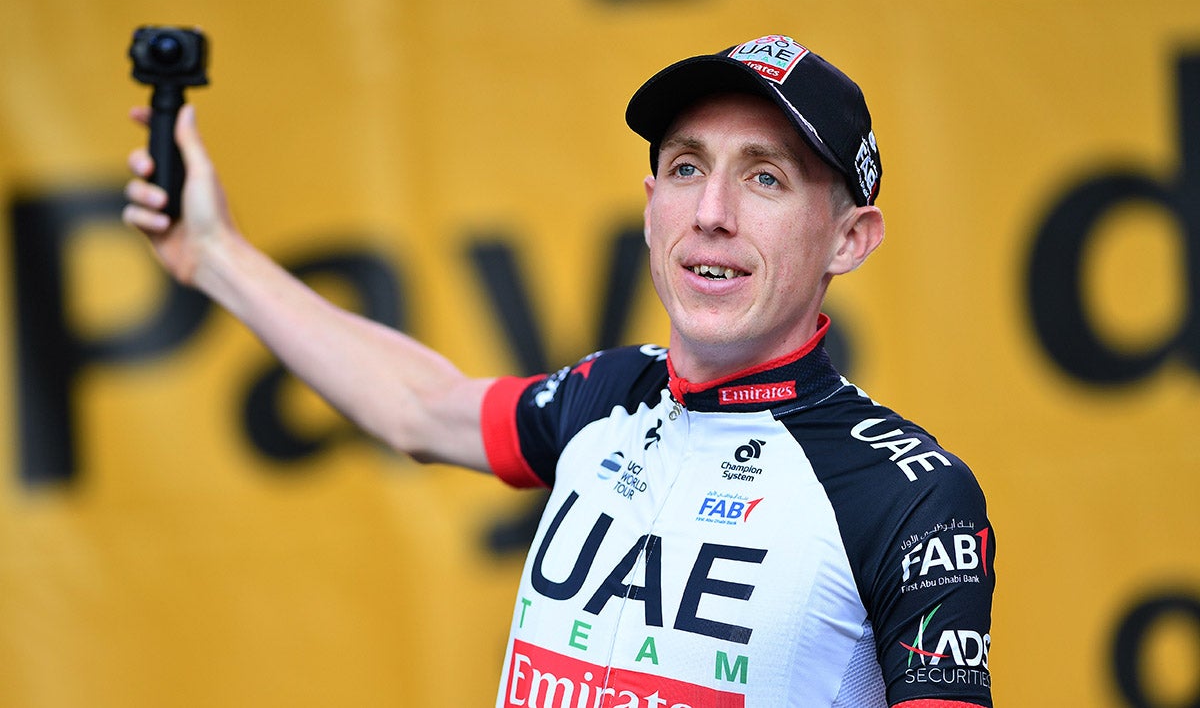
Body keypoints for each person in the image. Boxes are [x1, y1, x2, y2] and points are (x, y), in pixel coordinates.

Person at [124, 34, 995, 707]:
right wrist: (212, 252)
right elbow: (421, 409)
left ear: (850, 238)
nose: (713, 213)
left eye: (765, 178)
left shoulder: (909, 495)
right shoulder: (609, 393)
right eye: (686, 168)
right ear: (652, 208)